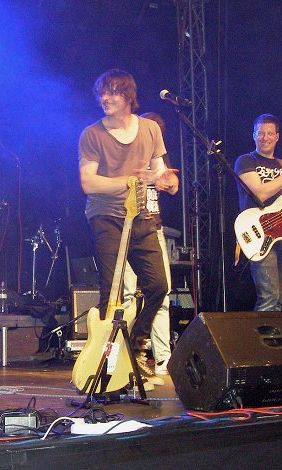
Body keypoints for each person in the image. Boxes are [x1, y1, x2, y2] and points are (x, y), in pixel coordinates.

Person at [79, 69, 178, 386]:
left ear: (128, 96)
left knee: (158, 286)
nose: (105, 98)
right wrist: (128, 181)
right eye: (102, 92)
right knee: (112, 291)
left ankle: (135, 349)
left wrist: (167, 181)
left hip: (141, 217)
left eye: (112, 92)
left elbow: (160, 172)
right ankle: (104, 367)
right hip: (106, 216)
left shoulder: (150, 129)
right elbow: (88, 183)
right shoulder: (92, 134)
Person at [234, 114, 282, 311]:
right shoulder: (246, 161)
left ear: (277, 137)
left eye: (270, 133)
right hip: (259, 233)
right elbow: (259, 194)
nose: (265, 138)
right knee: (268, 298)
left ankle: (271, 332)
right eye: (260, 133)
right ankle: (260, 332)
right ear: (254, 135)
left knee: (279, 301)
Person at [121, 111, 175, 377]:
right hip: (128, 229)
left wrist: (164, 180)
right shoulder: (126, 153)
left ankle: (163, 358)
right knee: (127, 295)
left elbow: (173, 185)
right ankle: (127, 356)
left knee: (162, 292)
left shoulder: (160, 158)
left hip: (155, 228)